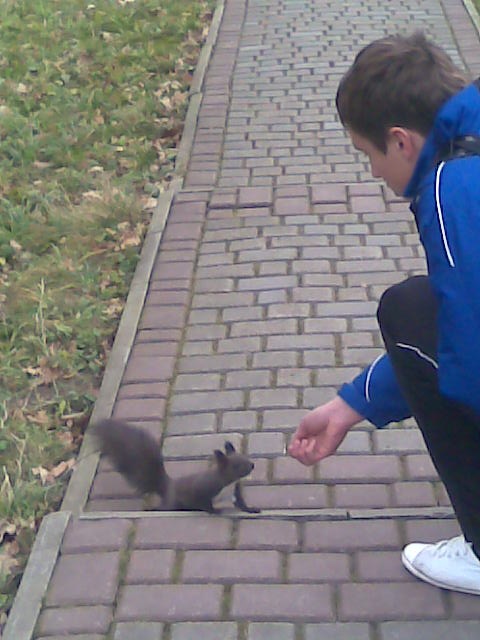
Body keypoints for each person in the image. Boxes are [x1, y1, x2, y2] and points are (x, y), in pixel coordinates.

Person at [288, 32, 480, 596]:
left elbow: (467, 349)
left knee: (407, 311)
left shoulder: (452, 190)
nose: (373, 172)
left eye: (368, 155)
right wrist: (355, 403)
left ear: (400, 141)